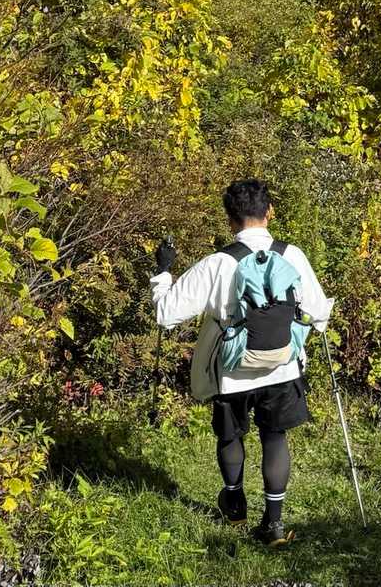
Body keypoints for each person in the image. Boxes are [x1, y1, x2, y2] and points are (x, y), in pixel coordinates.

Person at [150, 178, 333, 547]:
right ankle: (274, 525)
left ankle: (234, 506)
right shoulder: (292, 256)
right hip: (282, 366)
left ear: (230, 219)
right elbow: (318, 314)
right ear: (270, 212)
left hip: (232, 371)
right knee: (274, 436)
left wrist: (164, 272)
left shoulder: (219, 263)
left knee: (230, 435)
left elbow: (166, 314)